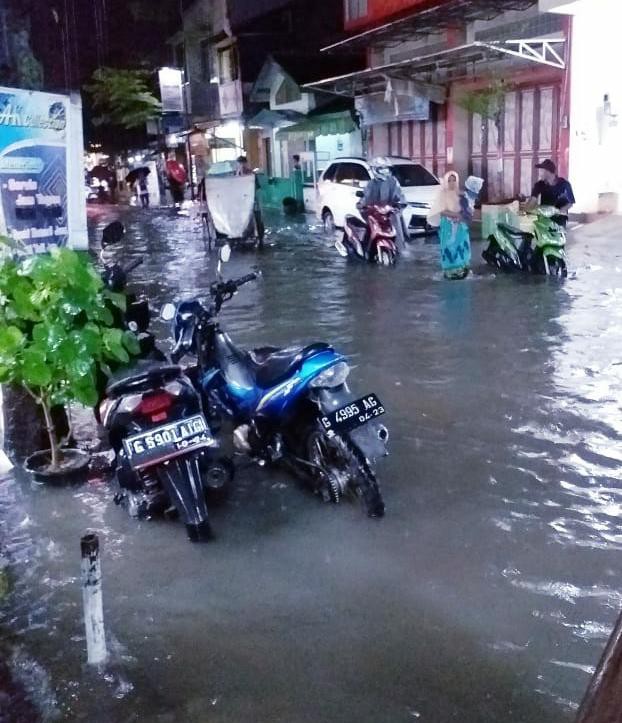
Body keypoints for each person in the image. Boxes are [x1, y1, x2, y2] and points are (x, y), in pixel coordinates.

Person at [428, 171, 483, 280]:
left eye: (454, 180)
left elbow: (468, 210)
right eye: (449, 180)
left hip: (461, 227)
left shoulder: (461, 195)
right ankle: (450, 271)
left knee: (462, 246)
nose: (452, 183)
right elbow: (441, 211)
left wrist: (464, 216)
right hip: (448, 226)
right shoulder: (443, 194)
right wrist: (455, 215)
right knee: (449, 247)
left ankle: (462, 269)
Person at [357, 156, 408, 252]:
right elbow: (365, 197)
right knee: (369, 228)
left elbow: (400, 195)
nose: (385, 171)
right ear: (375, 170)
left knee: (399, 231)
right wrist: (362, 205)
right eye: (382, 169)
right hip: (375, 214)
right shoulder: (371, 184)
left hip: (390, 214)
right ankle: (366, 251)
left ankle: (401, 250)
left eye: (386, 168)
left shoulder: (393, 182)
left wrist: (400, 204)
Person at [526, 159, 575, 226]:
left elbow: (571, 202)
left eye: (541, 171)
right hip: (544, 218)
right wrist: (526, 211)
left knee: (558, 233)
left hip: (560, 219)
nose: (539, 174)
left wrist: (559, 211)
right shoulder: (539, 185)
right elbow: (532, 200)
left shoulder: (564, 184)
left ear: (547, 171)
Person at [236, 155, 265, 246]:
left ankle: (260, 238)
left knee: (257, 218)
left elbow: (257, 187)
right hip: (242, 201)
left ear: (246, 163)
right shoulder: (236, 175)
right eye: (240, 164)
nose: (242, 165)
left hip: (253, 200)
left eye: (243, 163)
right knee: (244, 219)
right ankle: (246, 236)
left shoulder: (252, 174)